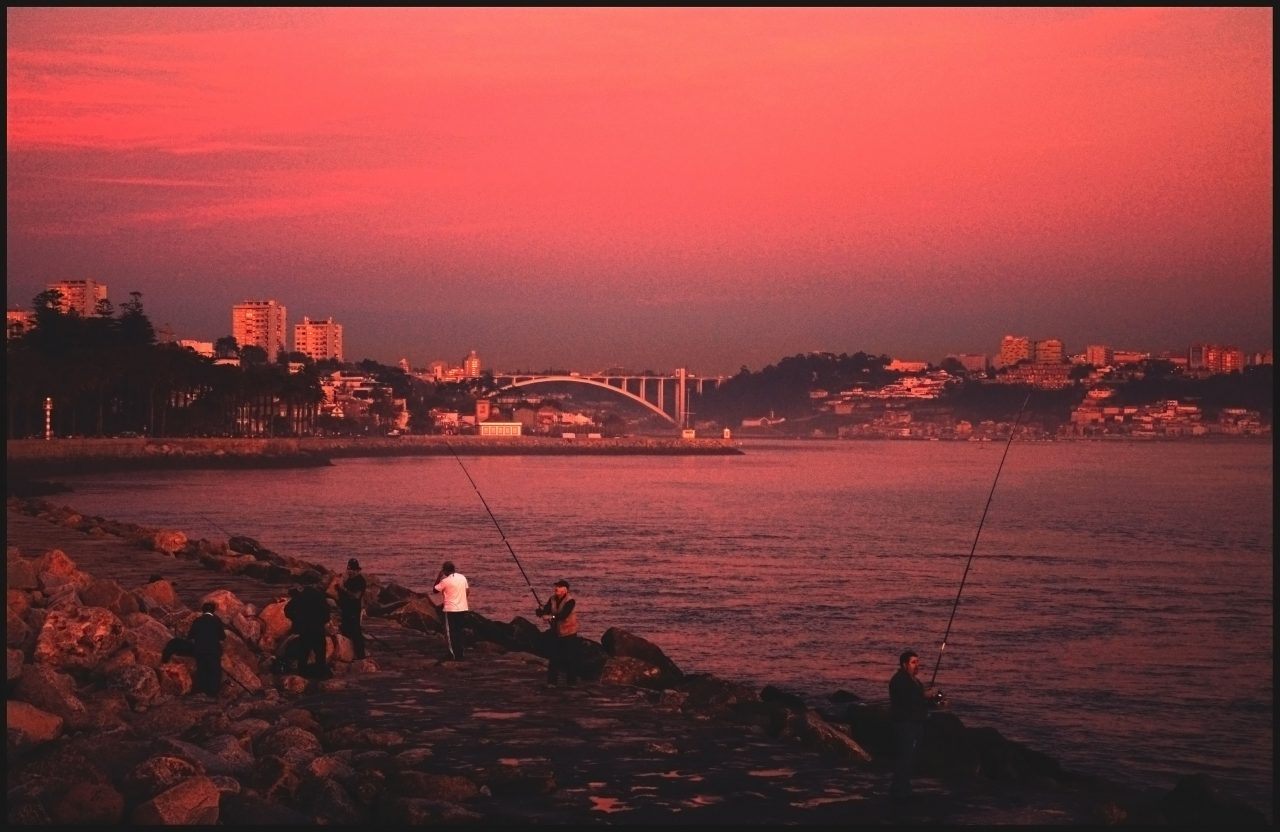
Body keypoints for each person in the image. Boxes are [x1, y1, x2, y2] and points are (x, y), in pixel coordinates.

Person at [888, 649, 940, 803]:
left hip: (915, 723)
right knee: (905, 757)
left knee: (909, 757)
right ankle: (899, 791)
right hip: (905, 724)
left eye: (918, 662)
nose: (917, 665)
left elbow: (916, 697)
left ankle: (904, 788)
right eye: (913, 662)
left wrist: (928, 696)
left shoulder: (913, 680)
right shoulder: (900, 680)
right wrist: (925, 695)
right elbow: (907, 698)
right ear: (904, 664)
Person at [536, 579, 580, 688]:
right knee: (554, 657)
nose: (556, 588)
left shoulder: (570, 601)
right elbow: (546, 611)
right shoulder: (552, 599)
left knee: (570, 658)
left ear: (565, 590)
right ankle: (552, 683)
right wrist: (540, 612)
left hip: (569, 633)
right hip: (556, 632)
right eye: (556, 586)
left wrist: (550, 617)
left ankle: (572, 683)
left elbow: (563, 615)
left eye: (559, 587)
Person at [285, 584, 332, 678]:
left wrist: (296, 619)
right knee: (320, 654)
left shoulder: (299, 596)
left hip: (304, 629)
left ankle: (302, 675)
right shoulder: (320, 596)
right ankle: (321, 675)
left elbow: (287, 610)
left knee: (303, 653)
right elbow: (327, 615)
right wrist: (321, 621)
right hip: (318, 629)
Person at [187, 601, 226, 696]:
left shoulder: (197, 620)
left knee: (202, 669)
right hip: (213, 650)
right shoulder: (217, 620)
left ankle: (201, 689)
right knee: (214, 670)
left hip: (200, 650)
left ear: (202, 610)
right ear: (213, 610)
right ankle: (213, 692)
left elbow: (190, 635)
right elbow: (222, 636)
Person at [432, 561, 470, 661]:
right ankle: (460, 653)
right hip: (462, 608)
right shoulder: (462, 577)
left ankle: (452, 654)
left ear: (444, 570)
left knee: (450, 632)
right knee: (459, 631)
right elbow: (467, 591)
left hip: (450, 609)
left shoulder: (445, 581)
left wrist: (439, 577)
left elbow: (435, 590)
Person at [335, 558, 368, 659]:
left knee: (356, 632)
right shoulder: (348, 579)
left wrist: (343, 589)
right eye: (349, 569)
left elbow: (356, 596)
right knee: (345, 630)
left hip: (354, 610)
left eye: (353, 569)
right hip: (345, 609)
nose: (350, 571)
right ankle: (348, 653)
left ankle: (361, 655)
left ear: (357, 570)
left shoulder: (361, 581)